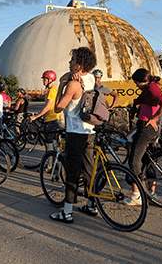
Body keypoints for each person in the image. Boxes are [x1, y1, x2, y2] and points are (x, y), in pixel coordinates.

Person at [50, 47, 97, 223]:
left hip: (75, 133)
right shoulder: (91, 78)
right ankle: (91, 205)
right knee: (89, 170)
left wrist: (61, 84)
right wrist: (68, 76)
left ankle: (67, 212)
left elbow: (58, 107)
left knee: (72, 172)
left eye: (73, 60)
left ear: (79, 65)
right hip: (90, 131)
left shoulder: (73, 84)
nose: (70, 63)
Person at [124, 68, 162, 206]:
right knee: (147, 160)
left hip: (146, 128)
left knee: (133, 161)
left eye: (136, 83)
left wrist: (153, 118)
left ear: (141, 82)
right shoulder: (152, 87)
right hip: (150, 128)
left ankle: (137, 195)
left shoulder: (152, 89)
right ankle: (151, 192)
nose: (136, 85)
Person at [30, 70, 61, 161]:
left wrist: (35, 116)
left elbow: (47, 107)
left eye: (44, 79)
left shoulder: (52, 90)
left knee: (49, 144)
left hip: (51, 120)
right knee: (52, 143)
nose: (43, 81)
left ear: (50, 80)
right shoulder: (52, 90)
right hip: (51, 119)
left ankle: (50, 166)